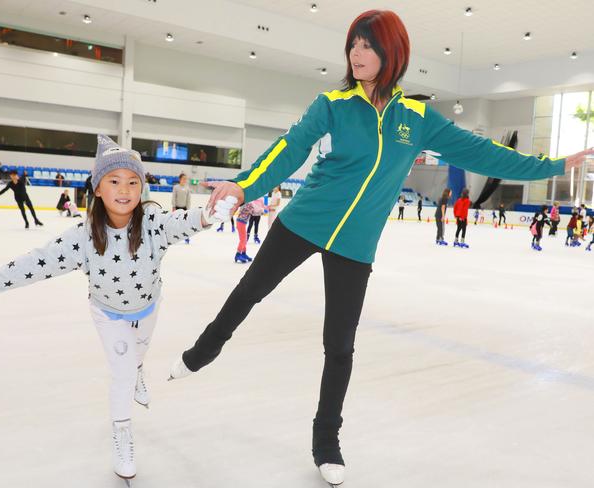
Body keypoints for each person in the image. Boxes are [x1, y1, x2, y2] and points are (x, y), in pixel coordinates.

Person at [167, 10, 592, 486]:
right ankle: (201, 353)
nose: (357, 53)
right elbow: (289, 149)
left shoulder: (416, 118)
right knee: (248, 292)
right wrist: (245, 186)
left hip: (355, 243)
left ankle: (326, 441)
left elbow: (483, 153)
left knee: (340, 347)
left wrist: (551, 164)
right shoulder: (332, 103)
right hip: (304, 220)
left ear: (392, 53)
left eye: (368, 45)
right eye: (353, 44)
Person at [0, 135, 232, 484]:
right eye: (114, 181)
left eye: (133, 181)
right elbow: (36, 262)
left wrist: (207, 215)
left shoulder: (153, 223)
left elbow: (183, 222)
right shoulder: (82, 237)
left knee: (137, 358)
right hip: (108, 314)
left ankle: (139, 367)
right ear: (97, 188)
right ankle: (123, 434)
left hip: (147, 307)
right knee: (123, 374)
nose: (124, 189)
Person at [172, 173, 192, 244]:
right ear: (180, 179)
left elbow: (188, 199)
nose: (185, 180)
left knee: (185, 224)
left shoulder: (187, 188)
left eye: (186, 179)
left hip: (185, 208)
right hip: (177, 208)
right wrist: (173, 207)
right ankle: (174, 237)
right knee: (176, 223)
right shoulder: (176, 187)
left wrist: (188, 209)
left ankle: (186, 237)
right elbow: (174, 197)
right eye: (183, 178)